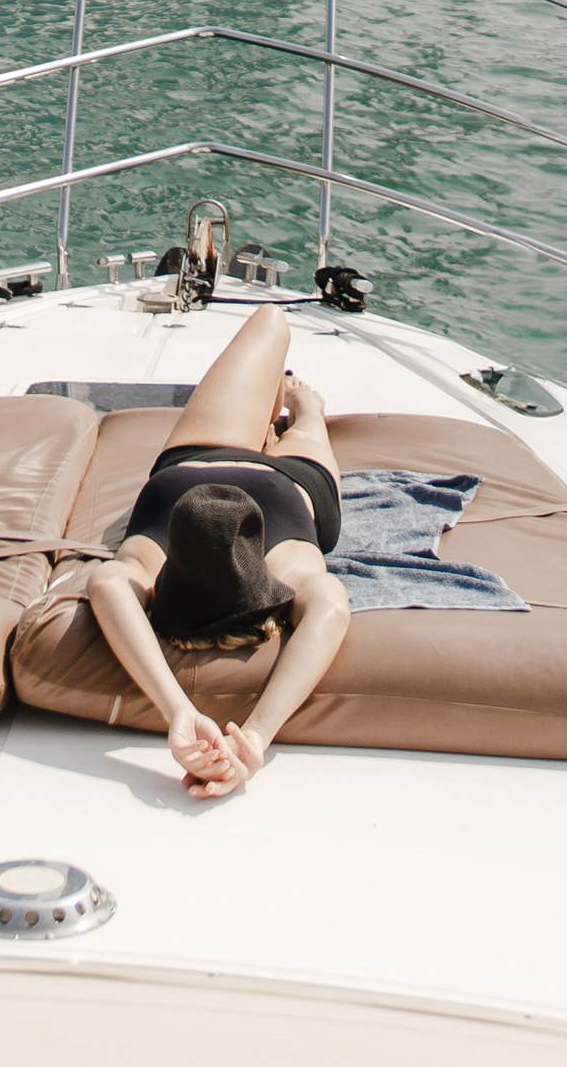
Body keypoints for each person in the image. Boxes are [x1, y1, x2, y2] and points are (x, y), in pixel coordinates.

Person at [85, 303, 352, 798]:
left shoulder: (161, 560)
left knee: (272, 330)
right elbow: (333, 612)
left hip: (211, 459)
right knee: (273, 323)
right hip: (281, 480)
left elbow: (103, 585)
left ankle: (285, 412)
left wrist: (179, 712)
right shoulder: (282, 563)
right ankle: (304, 412)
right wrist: (254, 736)